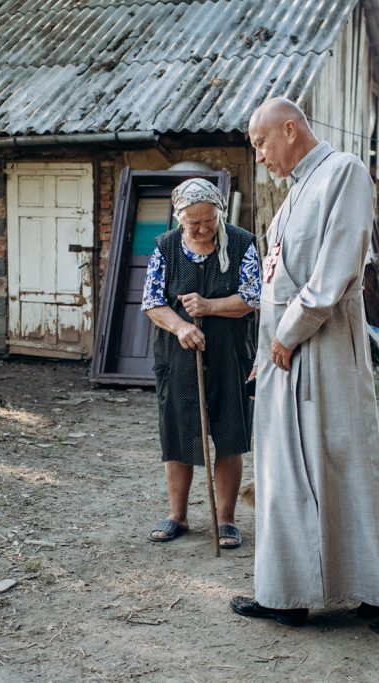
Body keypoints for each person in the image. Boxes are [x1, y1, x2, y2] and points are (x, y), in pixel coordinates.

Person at [230, 98, 379, 626]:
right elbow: (278, 280)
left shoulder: (344, 173)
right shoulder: (295, 192)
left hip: (324, 348)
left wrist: (288, 335)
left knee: (346, 466)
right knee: (284, 472)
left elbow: (336, 269)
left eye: (262, 142)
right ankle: (286, 595)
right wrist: (267, 355)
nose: (261, 155)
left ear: (289, 130)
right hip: (284, 354)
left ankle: (378, 586)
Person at [142, 178, 260, 549]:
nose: (203, 228)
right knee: (180, 434)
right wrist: (179, 326)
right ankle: (177, 515)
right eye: (194, 222)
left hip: (230, 354)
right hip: (179, 357)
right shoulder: (166, 247)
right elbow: (152, 302)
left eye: (209, 219)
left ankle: (225, 521)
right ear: (180, 219)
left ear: (219, 213)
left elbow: (253, 297)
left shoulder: (242, 243)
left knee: (229, 435)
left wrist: (209, 307)